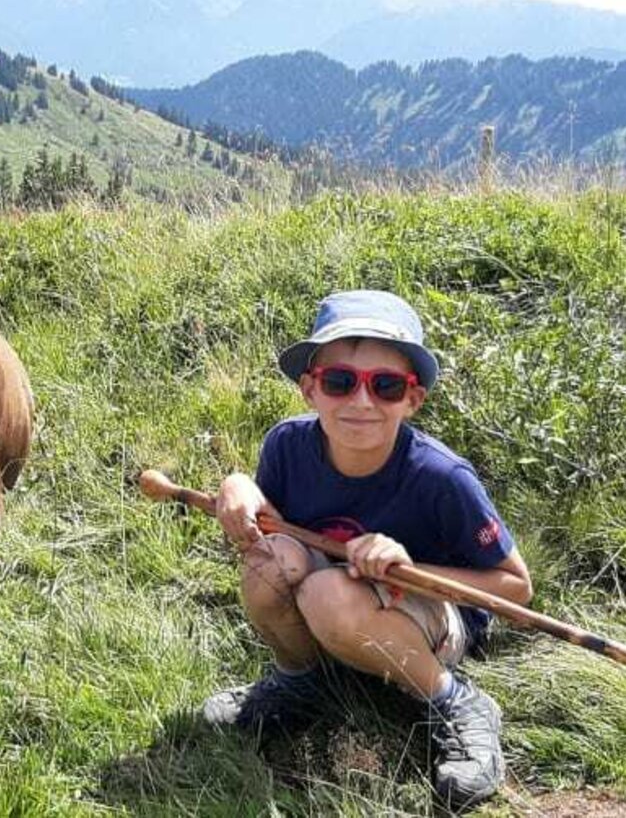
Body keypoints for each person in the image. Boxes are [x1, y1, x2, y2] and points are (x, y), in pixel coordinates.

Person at [203, 289, 532, 808]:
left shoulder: (441, 477)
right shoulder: (286, 446)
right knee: (271, 564)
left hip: (428, 615)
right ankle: (302, 681)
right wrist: (240, 486)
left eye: (385, 386)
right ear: (310, 390)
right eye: (339, 382)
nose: (361, 402)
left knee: (328, 593)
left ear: (413, 399)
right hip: (333, 600)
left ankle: (456, 702)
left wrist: (406, 569)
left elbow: (516, 587)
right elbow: (274, 534)